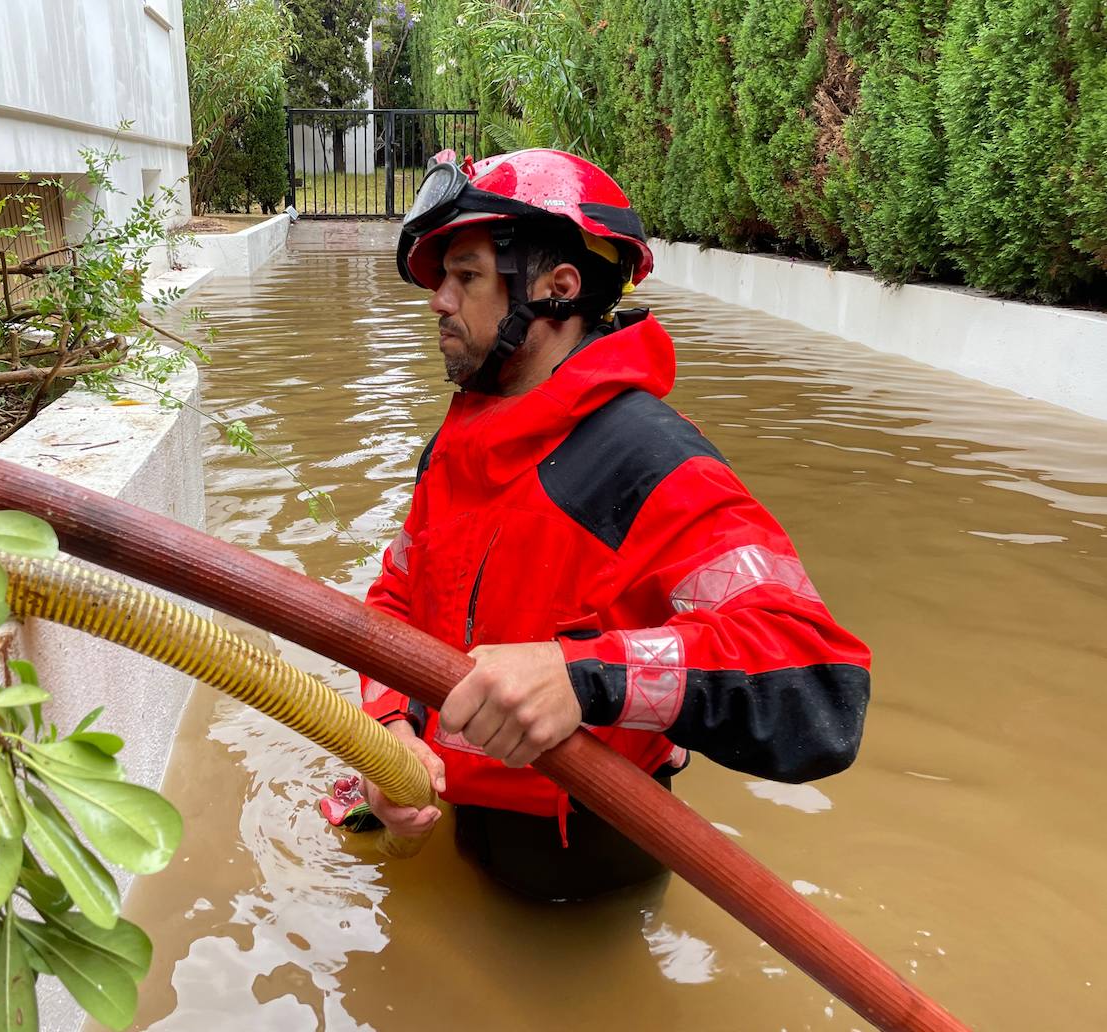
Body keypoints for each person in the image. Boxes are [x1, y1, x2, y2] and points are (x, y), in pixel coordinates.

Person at [357, 148, 871, 901]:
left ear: (557, 288)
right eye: (440, 279)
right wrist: (388, 727)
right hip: (455, 823)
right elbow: (392, 603)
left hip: (589, 869)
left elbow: (818, 684)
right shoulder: (456, 448)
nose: (438, 300)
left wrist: (582, 677)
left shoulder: (650, 462)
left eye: (464, 276)